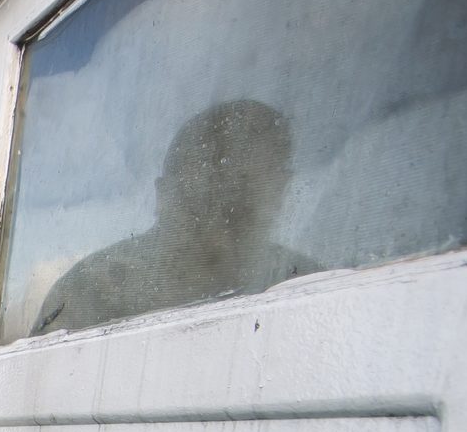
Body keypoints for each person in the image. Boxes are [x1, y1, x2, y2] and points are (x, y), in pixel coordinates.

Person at [31, 99, 315, 337]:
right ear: (164, 195)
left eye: (245, 191)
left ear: (282, 188)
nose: (220, 213)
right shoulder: (92, 289)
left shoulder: (303, 284)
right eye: (202, 195)